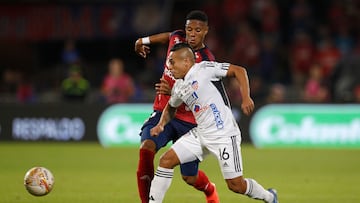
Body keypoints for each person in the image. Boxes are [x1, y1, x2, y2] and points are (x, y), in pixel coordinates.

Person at [149, 43, 278, 203]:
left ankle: (270, 197)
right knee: (166, 161)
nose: (170, 67)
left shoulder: (205, 69)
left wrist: (246, 97)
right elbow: (171, 107)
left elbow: (239, 71)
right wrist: (161, 124)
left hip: (224, 135)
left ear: (186, 62)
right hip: (201, 134)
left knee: (236, 185)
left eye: (173, 62)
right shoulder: (178, 86)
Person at [134, 10, 219, 203]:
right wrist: (143, 41)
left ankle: (210, 190)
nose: (192, 34)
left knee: (189, 177)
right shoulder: (178, 38)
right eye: (189, 29)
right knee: (146, 148)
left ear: (206, 31)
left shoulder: (207, 61)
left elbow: (202, 98)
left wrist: (172, 90)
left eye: (197, 30)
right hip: (164, 113)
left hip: (190, 122)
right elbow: (169, 36)